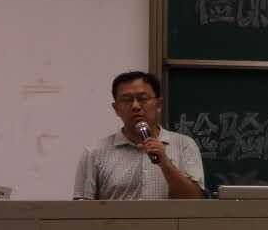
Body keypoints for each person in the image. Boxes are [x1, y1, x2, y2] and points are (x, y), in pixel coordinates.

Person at [73, 71, 205, 200]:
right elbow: (80, 209)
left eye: (143, 99)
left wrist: (165, 164)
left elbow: (195, 200)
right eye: (127, 100)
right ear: (116, 109)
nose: (135, 106)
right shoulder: (95, 153)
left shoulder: (184, 145)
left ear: (159, 105)